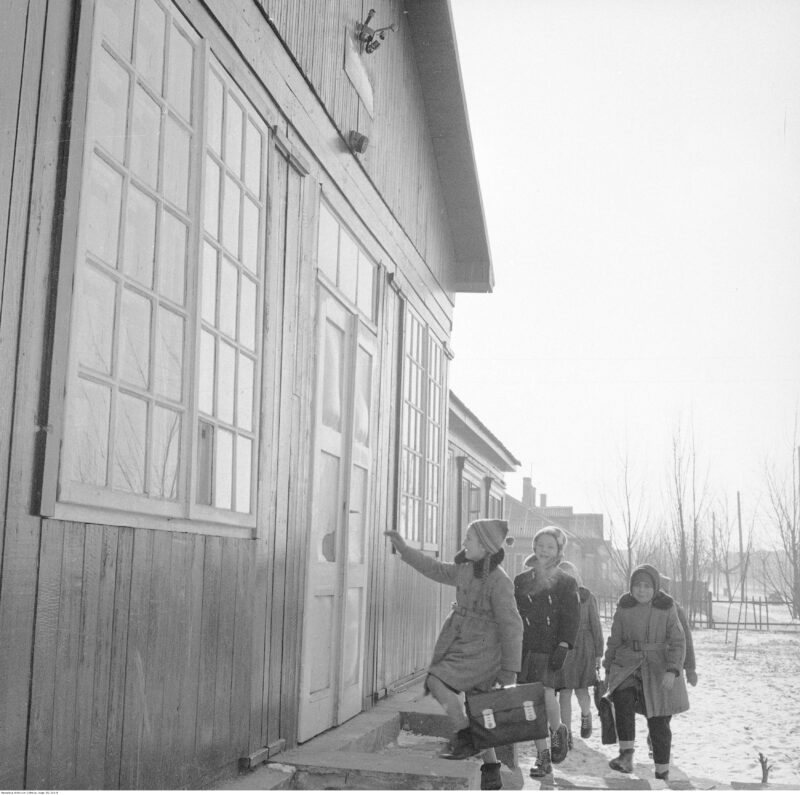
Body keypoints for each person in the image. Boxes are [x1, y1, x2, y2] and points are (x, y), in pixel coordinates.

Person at [384, 519, 523, 791]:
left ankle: (464, 736)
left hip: (483, 648)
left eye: (469, 539)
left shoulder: (500, 581)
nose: (463, 543)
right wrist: (405, 550)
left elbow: (512, 626)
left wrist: (510, 669)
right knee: (476, 708)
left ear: (485, 546)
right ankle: (491, 768)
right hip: (464, 642)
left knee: (437, 680)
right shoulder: (465, 570)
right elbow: (434, 569)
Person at [602, 564, 689, 782]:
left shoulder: (666, 608)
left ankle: (662, 771)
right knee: (622, 698)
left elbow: (679, 642)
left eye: (647, 586)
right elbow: (615, 639)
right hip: (628, 663)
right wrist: (608, 664)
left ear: (656, 588)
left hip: (659, 668)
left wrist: (672, 670)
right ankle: (626, 754)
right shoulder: (624, 607)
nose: (641, 590)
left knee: (659, 721)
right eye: (637, 586)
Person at [514, 526, 580, 778]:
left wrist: (565, 644)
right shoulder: (521, 581)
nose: (544, 550)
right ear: (534, 547)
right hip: (525, 648)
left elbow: (572, 617)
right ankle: (542, 757)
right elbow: (511, 612)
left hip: (549, 649)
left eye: (550, 546)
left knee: (545, 692)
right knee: (529, 703)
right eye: (540, 545)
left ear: (559, 551)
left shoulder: (566, 582)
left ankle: (558, 729)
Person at [645, 573, 698, 757]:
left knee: (667, 708)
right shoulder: (643, 608)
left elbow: (686, 641)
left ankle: (656, 737)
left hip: (671, 666)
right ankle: (655, 737)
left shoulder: (676, 609)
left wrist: (690, 668)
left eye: (664, 590)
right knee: (653, 705)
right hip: (650, 666)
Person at [553, 560, 604, 749]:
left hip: (584, 647)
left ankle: (586, 715)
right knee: (564, 692)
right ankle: (566, 734)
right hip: (564, 648)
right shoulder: (555, 597)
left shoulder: (587, 597)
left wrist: (598, 652)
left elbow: (596, 625)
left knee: (582, 690)